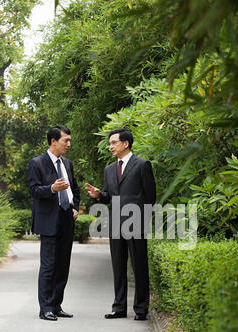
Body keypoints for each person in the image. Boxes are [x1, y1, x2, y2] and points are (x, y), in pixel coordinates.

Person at [86, 128, 156, 321]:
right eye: (110, 143)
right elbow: (109, 196)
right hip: (115, 224)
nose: (110, 147)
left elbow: (150, 196)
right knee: (118, 267)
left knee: (139, 266)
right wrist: (99, 195)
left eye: (114, 142)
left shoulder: (142, 165)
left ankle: (141, 309)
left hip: (136, 224)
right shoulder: (109, 169)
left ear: (126, 143)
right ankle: (119, 308)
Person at [28, 125, 80, 321]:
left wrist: (75, 207)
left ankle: (57, 305)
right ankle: (45, 308)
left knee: (63, 265)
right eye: (65, 140)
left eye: (69, 140)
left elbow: (75, 189)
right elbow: (33, 190)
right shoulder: (37, 163)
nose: (69, 144)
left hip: (67, 218)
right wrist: (51, 188)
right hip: (48, 221)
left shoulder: (67, 164)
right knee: (49, 266)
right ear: (53, 141)